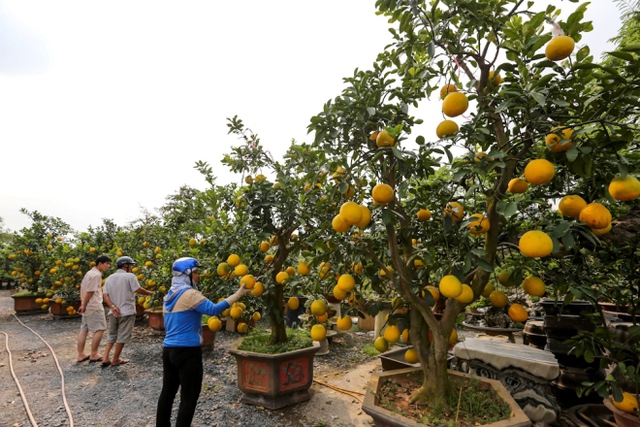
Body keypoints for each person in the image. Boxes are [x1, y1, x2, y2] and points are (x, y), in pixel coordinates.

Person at [156, 257, 250, 427]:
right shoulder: (190, 294)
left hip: (168, 350)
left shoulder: (169, 295)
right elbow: (213, 310)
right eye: (195, 272)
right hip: (187, 352)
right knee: (189, 397)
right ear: (187, 274)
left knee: (167, 393)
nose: (198, 276)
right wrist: (239, 294)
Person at [102, 256, 153, 367]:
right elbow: (138, 289)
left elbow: (105, 295)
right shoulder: (130, 276)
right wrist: (150, 293)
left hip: (113, 312)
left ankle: (105, 358)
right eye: (131, 265)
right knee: (122, 335)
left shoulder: (109, 278)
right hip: (126, 311)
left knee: (111, 335)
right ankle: (115, 359)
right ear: (125, 265)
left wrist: (112, 306)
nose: (132, 267)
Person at [76, 254, 112, 362]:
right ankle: (94, 353)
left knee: (84, 329)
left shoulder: (89, 273)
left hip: (87, 305)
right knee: (100, 328)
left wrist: (83, 303)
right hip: (94, 305)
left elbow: (84, 289)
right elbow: (90, 291)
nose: (108, 266)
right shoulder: (96, 275)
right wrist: (84, 304)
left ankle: (81, 354)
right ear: (100, 264)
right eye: (107, 264)